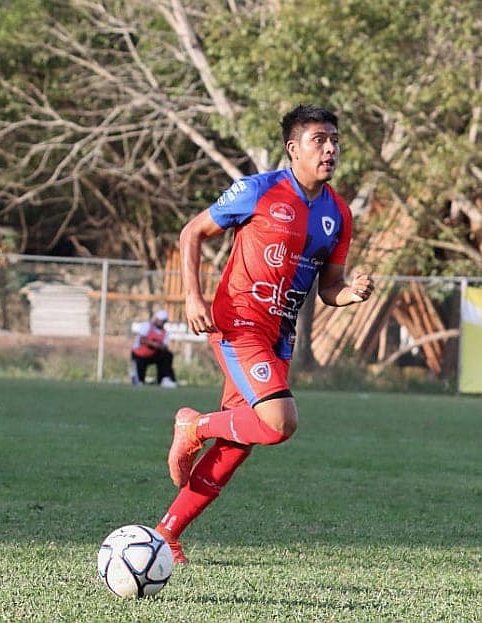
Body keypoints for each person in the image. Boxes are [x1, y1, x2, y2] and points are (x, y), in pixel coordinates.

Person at [155, 105, 374, 565]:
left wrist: (351, 293)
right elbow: (192, 233)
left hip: (280, 335)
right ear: (293, 148)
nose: (330, 149)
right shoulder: (259, 190)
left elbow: (329, 287)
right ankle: (194, 425)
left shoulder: (338, 213)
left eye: (335, 140)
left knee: (238, 444)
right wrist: (193, 298)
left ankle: (166, 534)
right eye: (319, 140)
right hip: (238, 323)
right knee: (280, 422)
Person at [130, 309, 177, 388]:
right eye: (159, 320)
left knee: (167, 355)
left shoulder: (165, 332)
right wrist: (155, 344)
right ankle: (136, 376)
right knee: (139, 382)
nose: (161, 322)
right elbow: (142, 340)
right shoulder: (147, 326)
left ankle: (164, 378)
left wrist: (157, 346)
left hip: (152, 355)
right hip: (139, 356)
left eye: (163, 321)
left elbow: (164, 347)